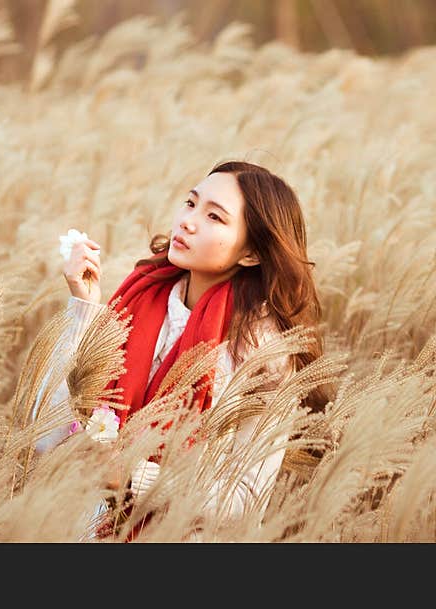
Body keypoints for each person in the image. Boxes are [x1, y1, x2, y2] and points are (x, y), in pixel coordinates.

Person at [30, 160, 331, 541]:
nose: (188, 221)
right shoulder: (135, 304)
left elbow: (245, 502)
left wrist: (132, 476)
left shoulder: (261, 352)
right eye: (190, 204)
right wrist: (85, 309)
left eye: (214, 217)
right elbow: (45, 436)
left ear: (251, 254)